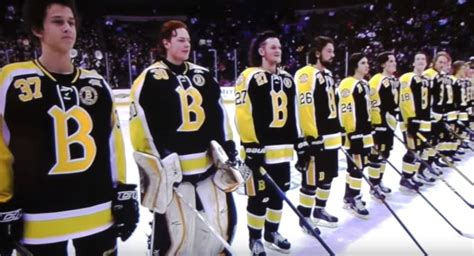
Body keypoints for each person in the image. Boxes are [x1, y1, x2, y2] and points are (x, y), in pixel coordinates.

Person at [0, 0, 139, 255]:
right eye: (58, 21)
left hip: (98, 214)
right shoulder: (10, 79)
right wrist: (3, 203)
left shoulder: (97, 83)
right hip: (39, 221)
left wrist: (123, 190)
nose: (67, 28)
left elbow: (113, 145)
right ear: (37, 29)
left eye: (71, 22)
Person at [129, 20, 238, 255]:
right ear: (165, 43)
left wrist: (228, 147)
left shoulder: (204, 75)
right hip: (174, 177)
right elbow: (142, 127)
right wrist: (158, 165)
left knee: (216, 232)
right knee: (177, 238)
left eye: (188, 40)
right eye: (180, 39)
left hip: (208, 173)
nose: (186, 44)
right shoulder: (149, 79)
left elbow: (219, 116)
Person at [235, 31, 308, 255]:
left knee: (278, 196)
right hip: (257, 152)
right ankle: (254, 238)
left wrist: (300, 143)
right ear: (261, 51)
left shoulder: (288, 79)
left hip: (282, 152)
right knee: (257, 198)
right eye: (273, 47)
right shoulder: (248, 76)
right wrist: (250, 145)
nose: (278, 50)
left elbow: (294, 113)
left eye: (279, 47)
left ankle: (272, 232)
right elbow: (243, 113)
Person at [295, 36, 341, 229]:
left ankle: (319, 209)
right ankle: (304, 217)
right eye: (329, 51)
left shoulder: (329, 75)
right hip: (318, 139)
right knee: (311, 180)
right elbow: (305, 108)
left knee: (327, 177)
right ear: (317, 53)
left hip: (332, 138)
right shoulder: (306, 74)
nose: (333, 54)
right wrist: (311, 137)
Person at [338, 53, 374, 219]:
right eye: (363, 63)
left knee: (360, 164)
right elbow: (346, 110)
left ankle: (349, 195)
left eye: (367, 62)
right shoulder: (347, 83)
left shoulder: (365, 83)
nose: (367, 65)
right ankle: (355, 197)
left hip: (365, 131)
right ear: (355, 65)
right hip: (355, 132)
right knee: (356, 166)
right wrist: (351, 131)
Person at [398, 52, 433, 192]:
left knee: (419, 149)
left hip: (423, 120)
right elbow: (405, 99)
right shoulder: (407, 77)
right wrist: (411, 119)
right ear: (413, 63)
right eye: (417, 59)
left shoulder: (425, 78)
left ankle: (411, 175)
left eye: (423, 59)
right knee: (412, 150)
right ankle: (405, 177)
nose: (420, 61)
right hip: (410, 120)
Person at [367, 51, 400, 195]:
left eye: (394, 60)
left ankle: (379, 180)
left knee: (385, 153)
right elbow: (371, 101)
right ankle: (373, 185)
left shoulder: (394, 80)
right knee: (376, 154)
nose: (394, 63)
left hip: (390, 123)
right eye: (390, 61)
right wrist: (376, 123)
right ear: (383, 64)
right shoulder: (377, 79)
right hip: (379, 123)